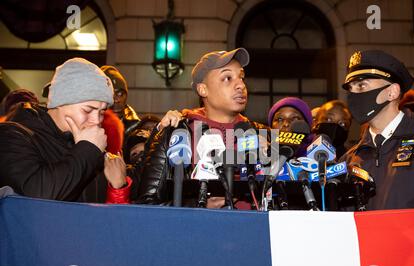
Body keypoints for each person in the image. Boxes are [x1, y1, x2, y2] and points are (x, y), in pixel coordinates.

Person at [137, 48, 267, 208]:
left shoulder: (261, 134)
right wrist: (198, 205)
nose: (240, 85)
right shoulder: (178, 132)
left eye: (241, 77)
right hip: (193, 230)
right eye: (227, 78)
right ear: (203, 89)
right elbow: (147, 203)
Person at [0, 58, 131, 203]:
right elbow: (39, 197)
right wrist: (88, 149)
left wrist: (118, 186)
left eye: (101, 112)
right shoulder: (12, 136)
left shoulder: (89, 147)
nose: (97, 121)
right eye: (88, 110)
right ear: (60, 102)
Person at [340, 50, 414, 210]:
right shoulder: (350, 160)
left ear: (392, 91)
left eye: (362, 85)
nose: (353, 95)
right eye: (351, 88)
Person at [100, 65, 140, 135]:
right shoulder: (87, 127)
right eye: (111, 94)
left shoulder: (137, 129)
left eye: (120, 94)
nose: (116, 100)